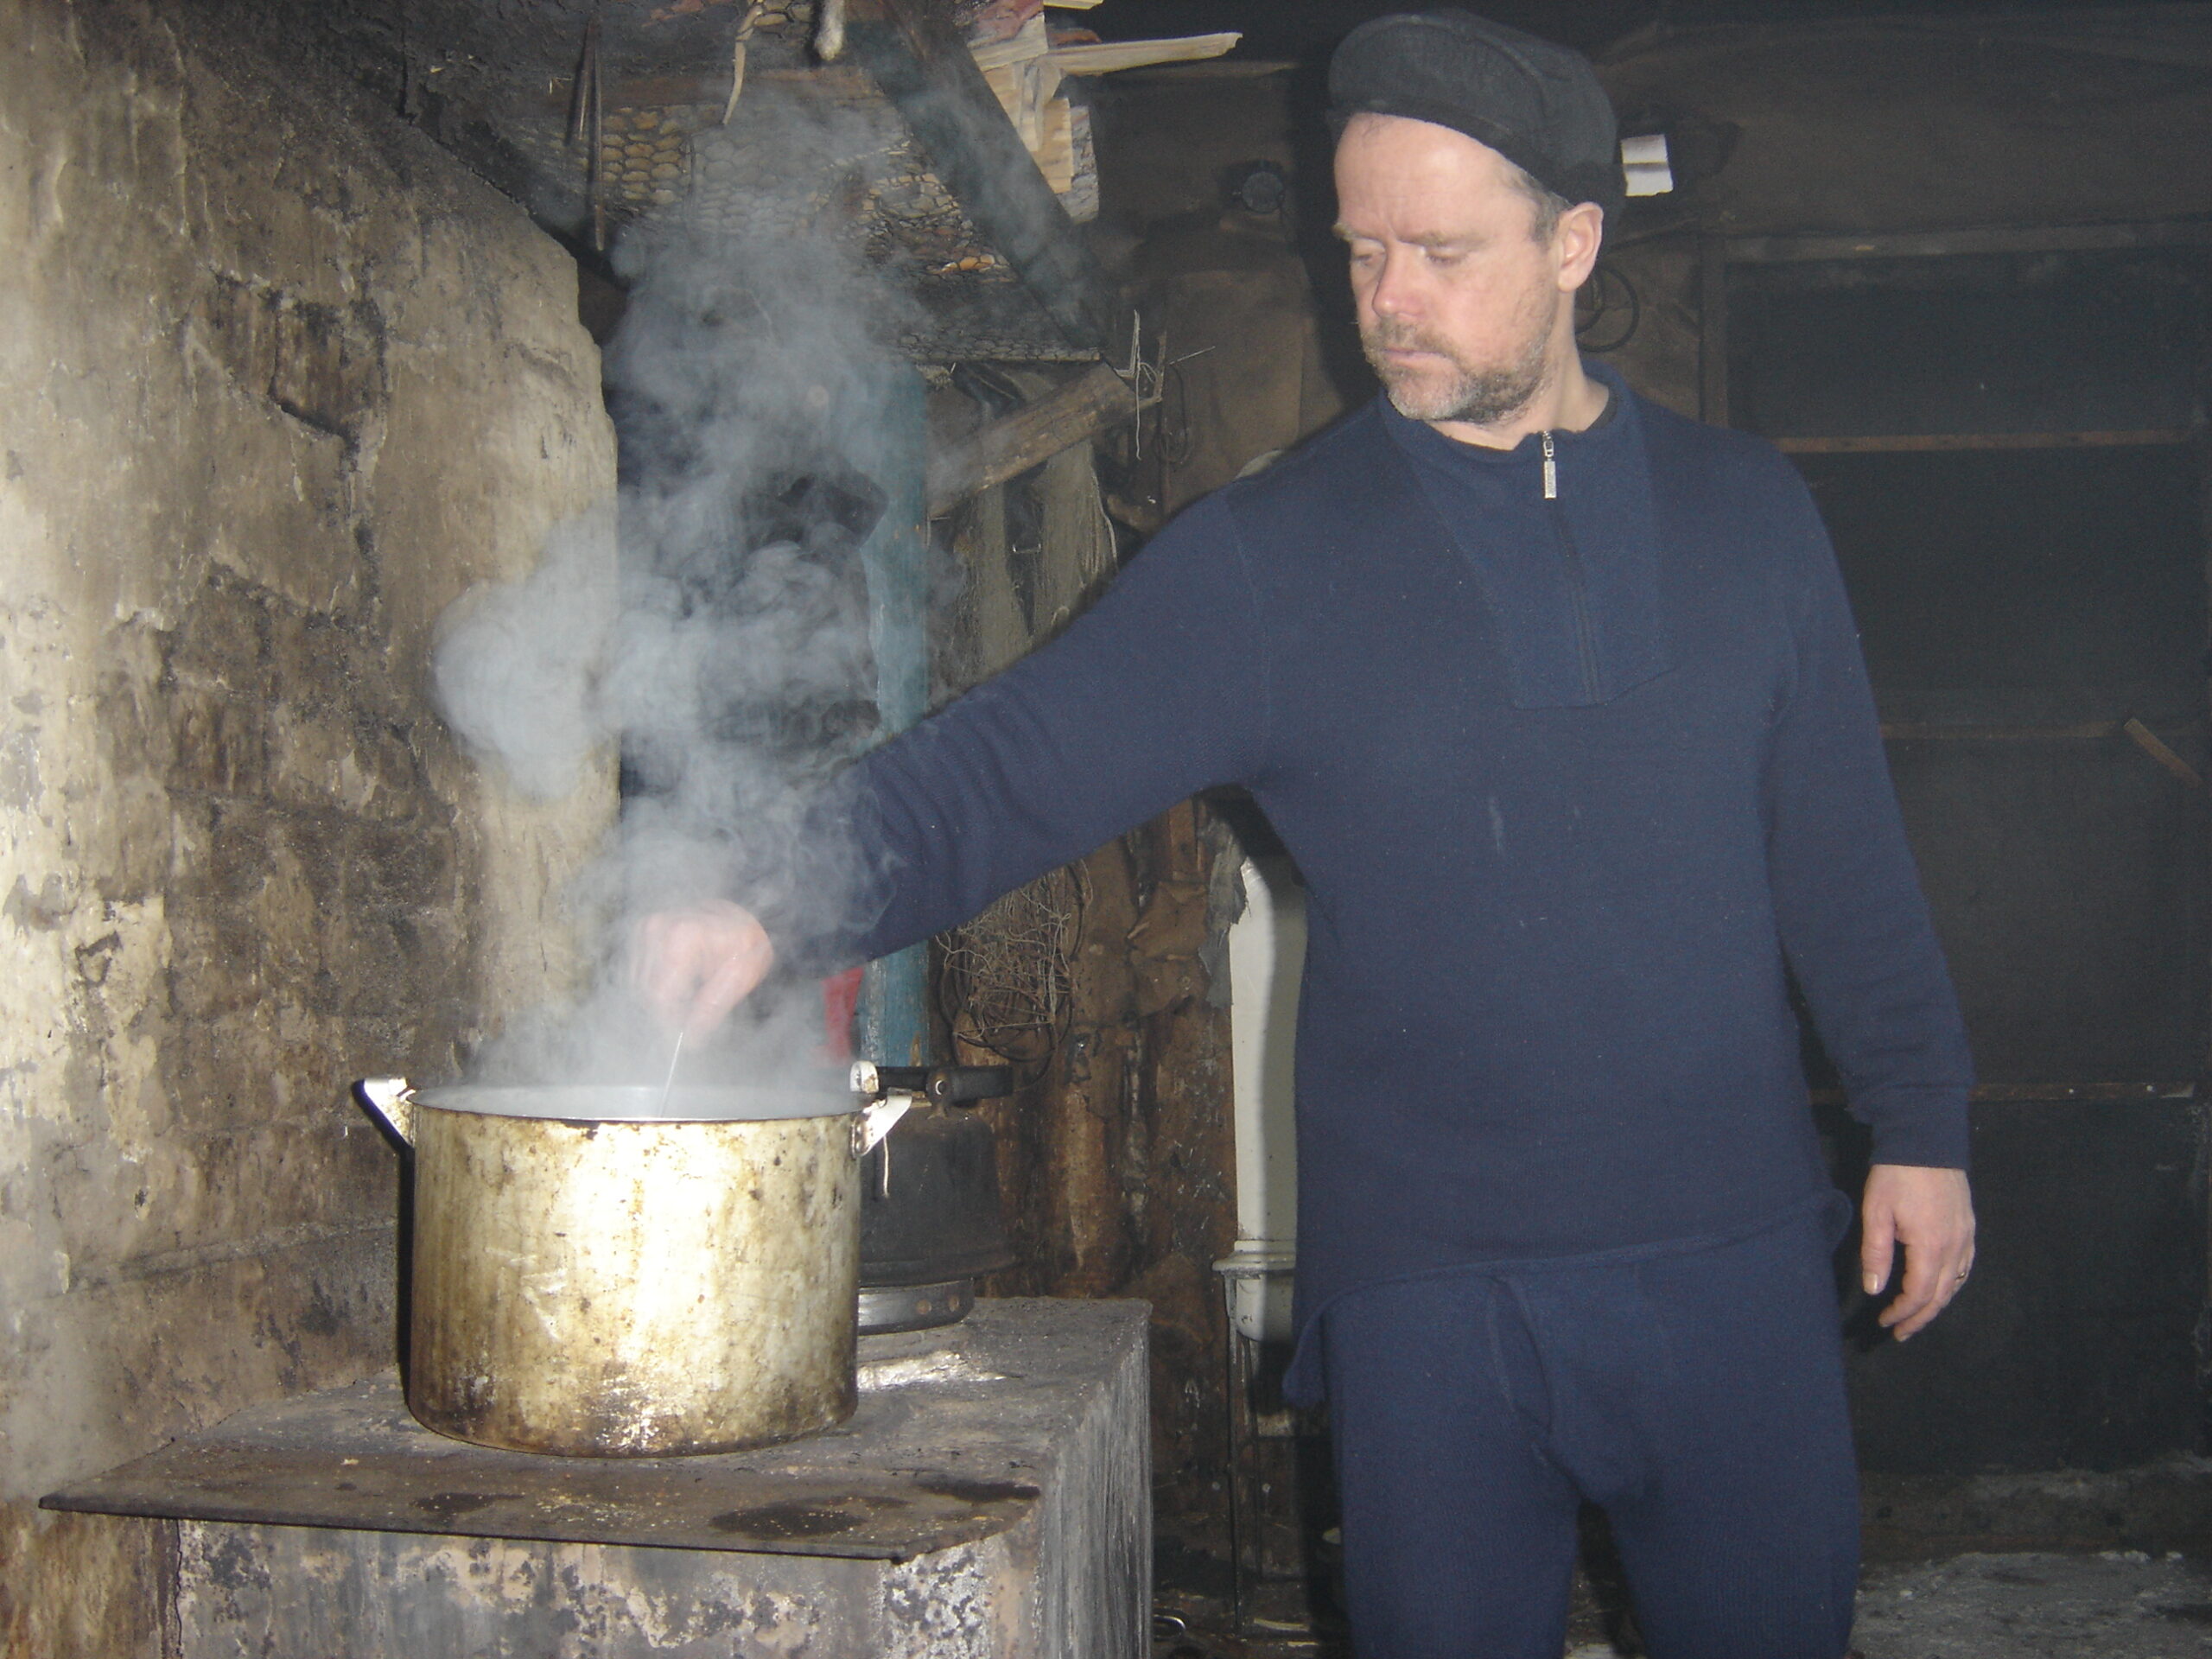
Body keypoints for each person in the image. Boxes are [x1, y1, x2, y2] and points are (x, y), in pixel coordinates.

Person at [637, 11, 1976, 1656]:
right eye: (1360, 250)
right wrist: (767, 895)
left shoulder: (1750, 519)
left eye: (1442, 254)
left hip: (1734, 1268)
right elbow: (1013, 764)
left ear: (1573, 243)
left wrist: (1922, 1121)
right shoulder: (1271, 560)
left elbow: (1843, 851)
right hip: (1432, 1308)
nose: (1388, 300)